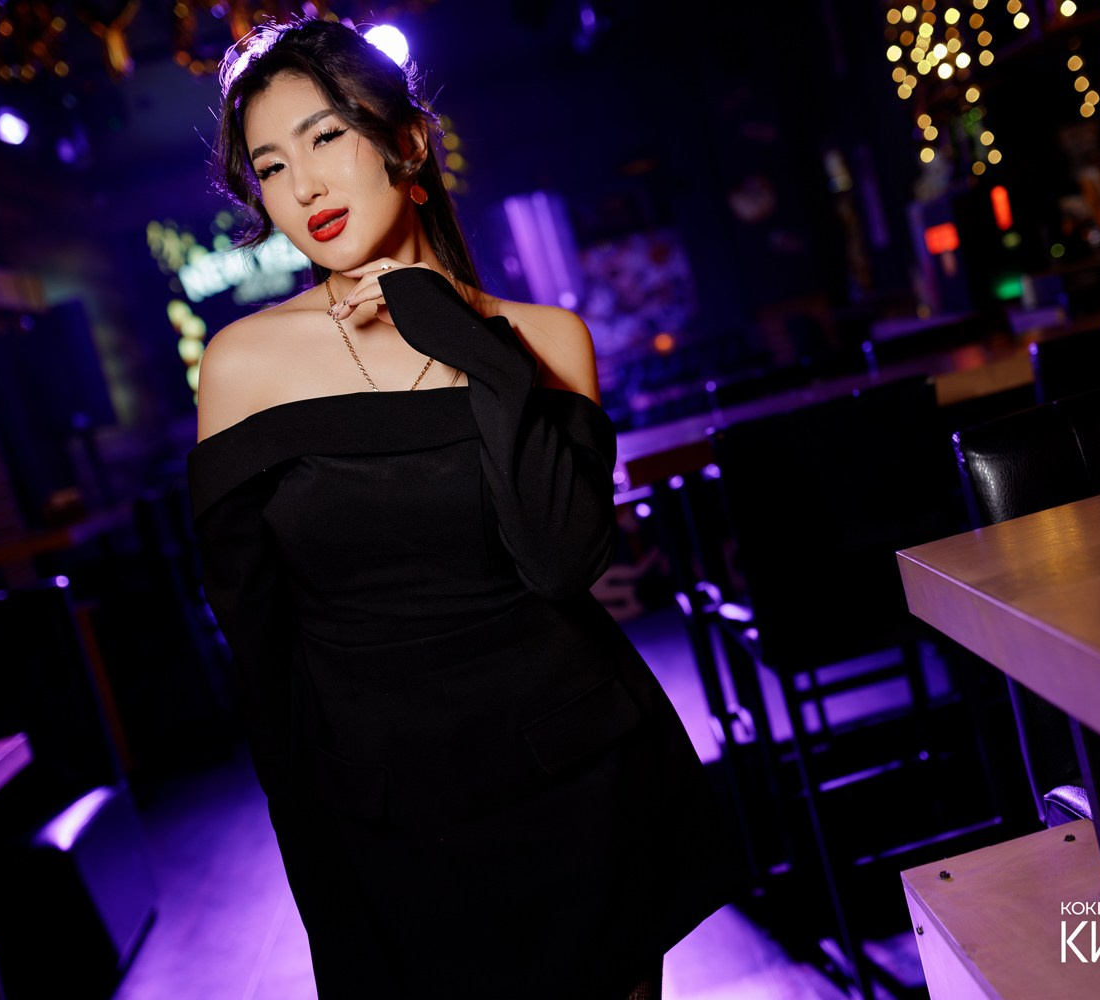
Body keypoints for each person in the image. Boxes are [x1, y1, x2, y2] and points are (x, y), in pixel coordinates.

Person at [187, 17, 743, 1000]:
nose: (303, 186)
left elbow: (558, 559)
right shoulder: (243, 365)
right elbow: (261, 660)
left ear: (408, 141)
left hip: (581, 790)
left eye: (325, 137)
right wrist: (324, 881)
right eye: (270, 166)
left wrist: (460, 335)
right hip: (389, 824)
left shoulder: (547, 340)